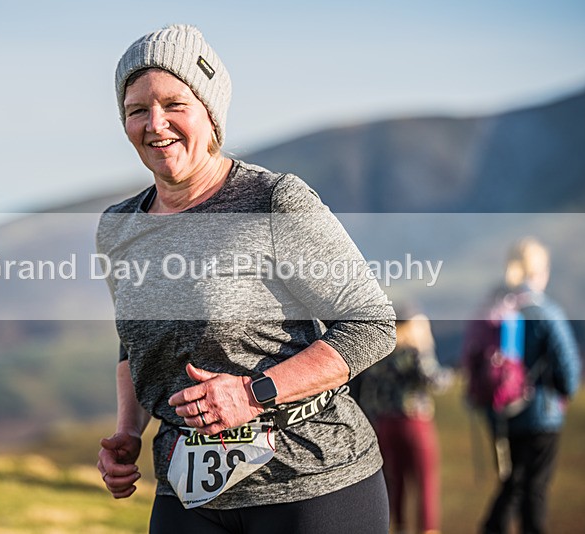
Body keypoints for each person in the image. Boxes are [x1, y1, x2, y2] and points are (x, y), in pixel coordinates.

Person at [94, 24, 396, 533]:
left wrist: (252, 393)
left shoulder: (272, 200)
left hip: (313, 482)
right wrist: (129, 432)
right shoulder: (118, 227)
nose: (156, 123)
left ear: (210, 115)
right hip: (186, 489)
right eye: (137, 109)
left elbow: (371, 325)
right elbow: (133, 346)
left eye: (174, 104)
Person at [462, 237, 581, 534]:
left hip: (501, 412)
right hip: (542, 412)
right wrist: (565, 391)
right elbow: (567, 366)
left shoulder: (495, 306)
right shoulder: (545, 312)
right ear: (540, 271)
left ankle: (493, 527)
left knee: (513, 481)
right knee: (534, 488)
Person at [356, 310, 452, 534]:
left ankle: (397, 527)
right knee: (426, 480)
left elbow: (368, 393)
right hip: (414, 422)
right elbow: (434, 380)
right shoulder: (414, 353)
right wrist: (429, 351)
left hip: (385, 425)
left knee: (395, 480)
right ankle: (428, 529)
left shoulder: (380, 355)